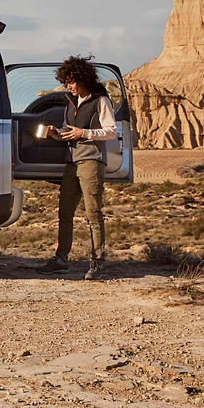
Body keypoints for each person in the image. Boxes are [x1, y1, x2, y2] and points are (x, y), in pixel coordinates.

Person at [37, 55, 118, 280]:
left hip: (91, 161)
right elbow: (70, 133)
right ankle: (61, 259)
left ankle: (97, 262)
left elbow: (112, 131)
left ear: (82, 79)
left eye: (71, 81)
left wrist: (85, 133)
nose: (68, 86)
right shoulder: (70, 102)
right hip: (71, 162)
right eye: (66, 82)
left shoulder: (100, 100)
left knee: (93, 213)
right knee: (65, 212)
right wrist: (57, 134)